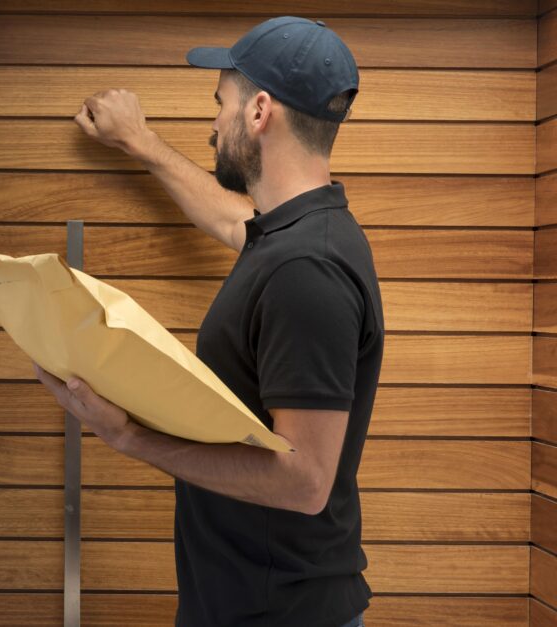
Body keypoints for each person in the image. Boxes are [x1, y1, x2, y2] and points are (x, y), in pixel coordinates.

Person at [32, 16, 384, 627]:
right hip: (248, 603)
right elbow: (230, 220)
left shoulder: (307, 267)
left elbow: (305, 482)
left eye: (220, 102)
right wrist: (140, 143)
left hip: (279, 614)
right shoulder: (291, 234)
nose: (213, 123)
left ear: (259, 112)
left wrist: (129, 438)